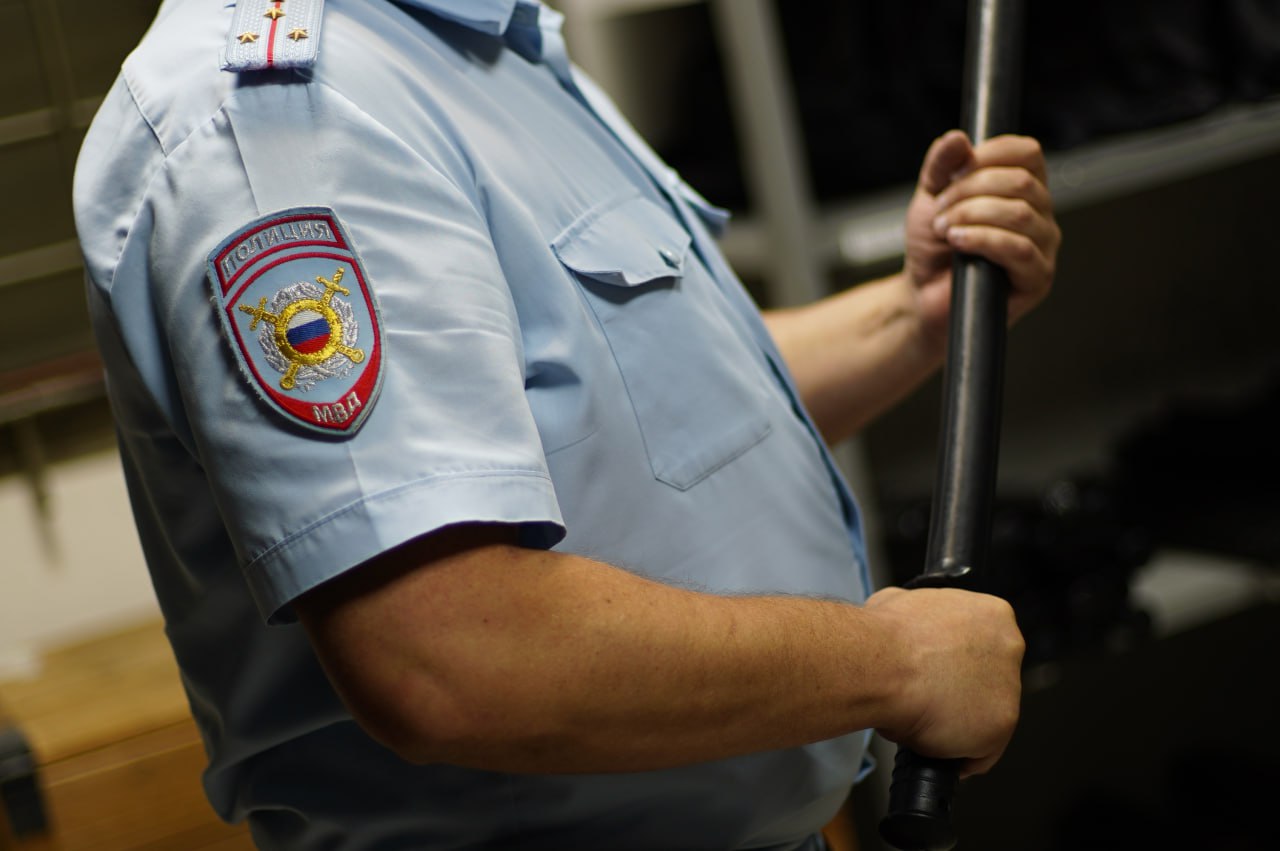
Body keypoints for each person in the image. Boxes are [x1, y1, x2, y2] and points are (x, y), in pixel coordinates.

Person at [73, 1, 1058, 848]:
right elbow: (448, 653)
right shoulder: (285, 118)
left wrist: (909, 317)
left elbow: (637, 419)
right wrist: (893, 662)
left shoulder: (478, 46)